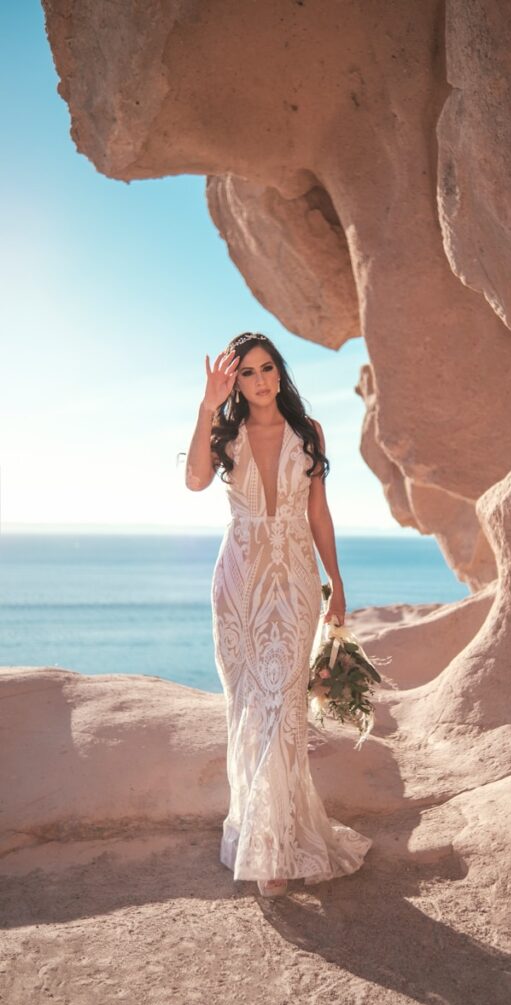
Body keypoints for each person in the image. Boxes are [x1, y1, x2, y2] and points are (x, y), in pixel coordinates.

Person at [184, 331, 372, 898]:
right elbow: (194, 479)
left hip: (292, 581)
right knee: (249, 708)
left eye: (267, 369)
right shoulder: (226, 432)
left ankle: (275, 851)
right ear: (235, 382)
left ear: (279, 372)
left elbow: (319, 513)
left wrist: (335, 581)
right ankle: (260, 836)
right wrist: (205, 408)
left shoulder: (307, 433)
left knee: (282, 708)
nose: (260, 380)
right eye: (247, 373)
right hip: (238, 583)